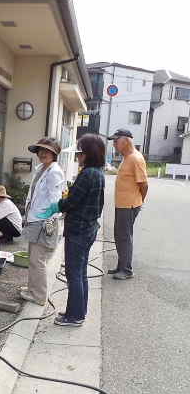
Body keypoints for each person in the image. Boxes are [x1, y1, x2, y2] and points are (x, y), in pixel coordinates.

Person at [39, 134, 106, 326]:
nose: (78, 157)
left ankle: (74, 316)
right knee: (80, 272)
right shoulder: (98, 173)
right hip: (89, 228)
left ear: (88, 153)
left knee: (74, 273)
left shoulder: (88, 174)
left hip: (78, 230)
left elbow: (72, 202)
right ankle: (78, 312)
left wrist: (57, 205)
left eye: (80, 153)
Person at [20, 137, 65, 306]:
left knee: (38, 260)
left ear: (54, 154)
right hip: (35, 219)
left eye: (47, 151)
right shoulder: (41, 168)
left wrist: (50, 222)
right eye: (40, 150)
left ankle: (39, 296)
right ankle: (32, 289)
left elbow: (56, 200)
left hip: (44, 221)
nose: (43, 154)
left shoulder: (54, 172)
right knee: (33, 258)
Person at [107, 129, 148, 280]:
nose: (114, 144)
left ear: (125, 141)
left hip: (129, 205)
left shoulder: (135, 158)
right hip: (123, 204)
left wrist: (139, 201)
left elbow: (144, 184)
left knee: (124, 237)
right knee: (120, 236)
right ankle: (121, 266)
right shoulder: (127, 157)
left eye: (116, 141)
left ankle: (126, 270)